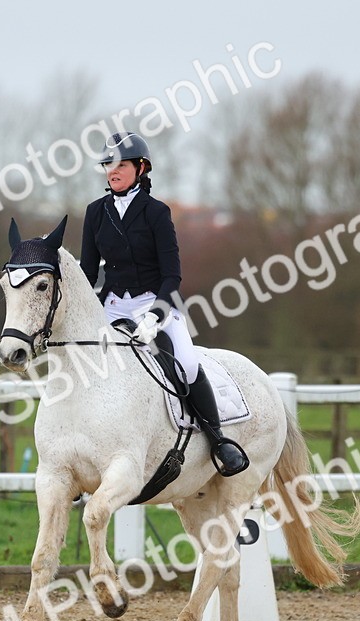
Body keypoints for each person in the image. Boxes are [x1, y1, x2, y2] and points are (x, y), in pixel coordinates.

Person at [80, 132, 248, 477]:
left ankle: (218, 441)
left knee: (185, 365)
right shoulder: (95, 212)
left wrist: (156, 314)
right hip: (111, 306)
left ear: (141, 168)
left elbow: (172, 274)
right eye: (108, 165)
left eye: (120, 165)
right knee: (85, 370)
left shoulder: (156, 212)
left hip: (155, 302)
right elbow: (86, 271)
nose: (112, 171)